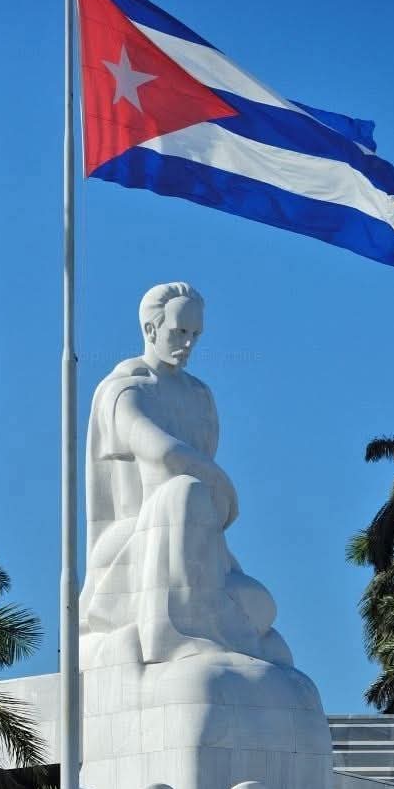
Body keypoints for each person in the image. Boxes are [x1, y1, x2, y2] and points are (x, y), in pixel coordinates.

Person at [80, 282, 292, 669]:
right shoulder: (124, 389)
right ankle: (170, 634)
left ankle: (208, 624)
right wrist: (218, 481)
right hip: (135, 538)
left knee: (262, 607)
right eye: (179, 331)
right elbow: (159, 449)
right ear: (151, 330)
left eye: (195, 334)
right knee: (183, 490)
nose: (188, 343)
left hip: (198, 543)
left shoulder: (199, 396)